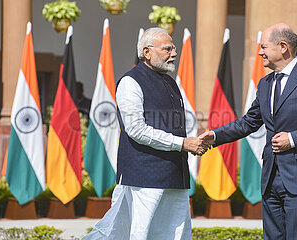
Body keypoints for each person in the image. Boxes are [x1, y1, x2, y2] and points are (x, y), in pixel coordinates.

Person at [200, 23, 297, 240]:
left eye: (264, 46)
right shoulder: (264, 84)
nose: (259, 52)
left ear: (283, 47)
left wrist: (293, 139)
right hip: (270, 177)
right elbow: (248, 123)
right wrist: (215, 136)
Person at [83, 28, 208, 240]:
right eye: (167, 49)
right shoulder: (130, 82)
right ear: (147, 52)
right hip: (143, 178)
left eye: (174, 48)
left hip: (175, 175)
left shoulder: (170, 82)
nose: (174, 53)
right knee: (140, 234)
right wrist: (182, 144)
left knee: (176, 234)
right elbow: (136, 130)